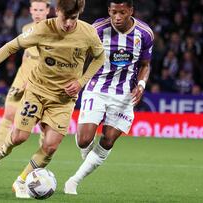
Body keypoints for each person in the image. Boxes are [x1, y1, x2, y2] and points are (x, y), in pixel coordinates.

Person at [0, 0, 105, 199]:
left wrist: (82, 81)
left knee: (50, 146)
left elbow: (100, 57)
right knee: (19, 137)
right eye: (65, 18)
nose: (68, 23)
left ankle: (21, 180)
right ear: (57, 11)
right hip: (37, 92)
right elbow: (10, 47)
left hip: (63, 99)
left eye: (73, 18)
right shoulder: (42, 29)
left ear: (79, 14)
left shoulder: (88, 32)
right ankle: (1, 151)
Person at [64, 0, 153, 195]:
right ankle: (87, 158)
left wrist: (141, 84)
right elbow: (82, 57)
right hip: (97, 88)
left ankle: (74, 181)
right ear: (108, 11)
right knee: (84, 140)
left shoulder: (144, 34)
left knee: (108, 140)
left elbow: (145, 64)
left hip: (124, 94)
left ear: (131, 10)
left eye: (122, 12)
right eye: (114, 12)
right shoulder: (97, 29)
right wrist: (78, 80)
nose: (118, 17)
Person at [0, 0, 50, 150]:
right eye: (35, 10)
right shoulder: (26, 28)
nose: (37, 13)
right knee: (9, 113)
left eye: (40, 10)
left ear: (47, 11)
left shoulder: (52, 32)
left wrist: (33, 80)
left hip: (41, 82)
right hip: (21, 79)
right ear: (30, 11)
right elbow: (26, 54)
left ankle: (41, 163)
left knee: (44, 124)